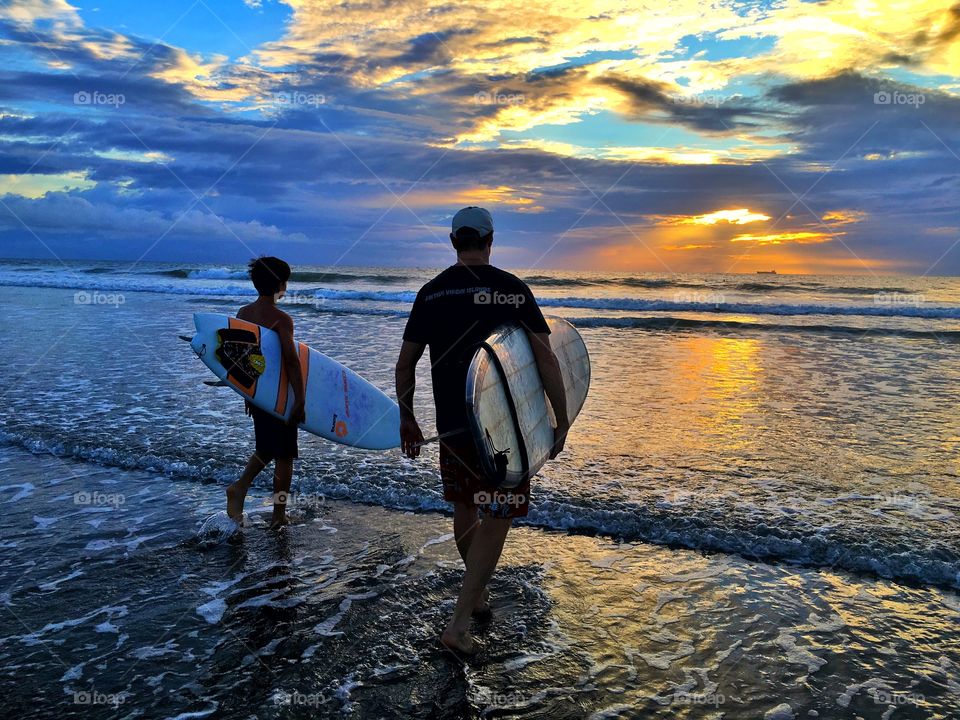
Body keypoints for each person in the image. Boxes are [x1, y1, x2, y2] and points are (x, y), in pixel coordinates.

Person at [395, 207, 569, 657]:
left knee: (466, 510)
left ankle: (476, 598)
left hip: (452, 426)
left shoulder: (431, 294)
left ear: (454, 241)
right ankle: (457, 626)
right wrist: (560, 417)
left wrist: (407, 417)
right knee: (498, 516)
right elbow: (546, 360)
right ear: (491, 239)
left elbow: (405, 364)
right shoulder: (512, 290)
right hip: (504, 429)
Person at [225, 256, 305, 528]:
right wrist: (300, 398)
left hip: (259, 392)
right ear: (281, 285)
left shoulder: (243, 313)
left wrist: (248, 393)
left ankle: (239, 488)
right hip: (280, 395)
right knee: (285, 456)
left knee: (266, 447)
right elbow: (292, 361)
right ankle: (278, 516)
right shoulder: (282, 319)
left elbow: (240, 358)